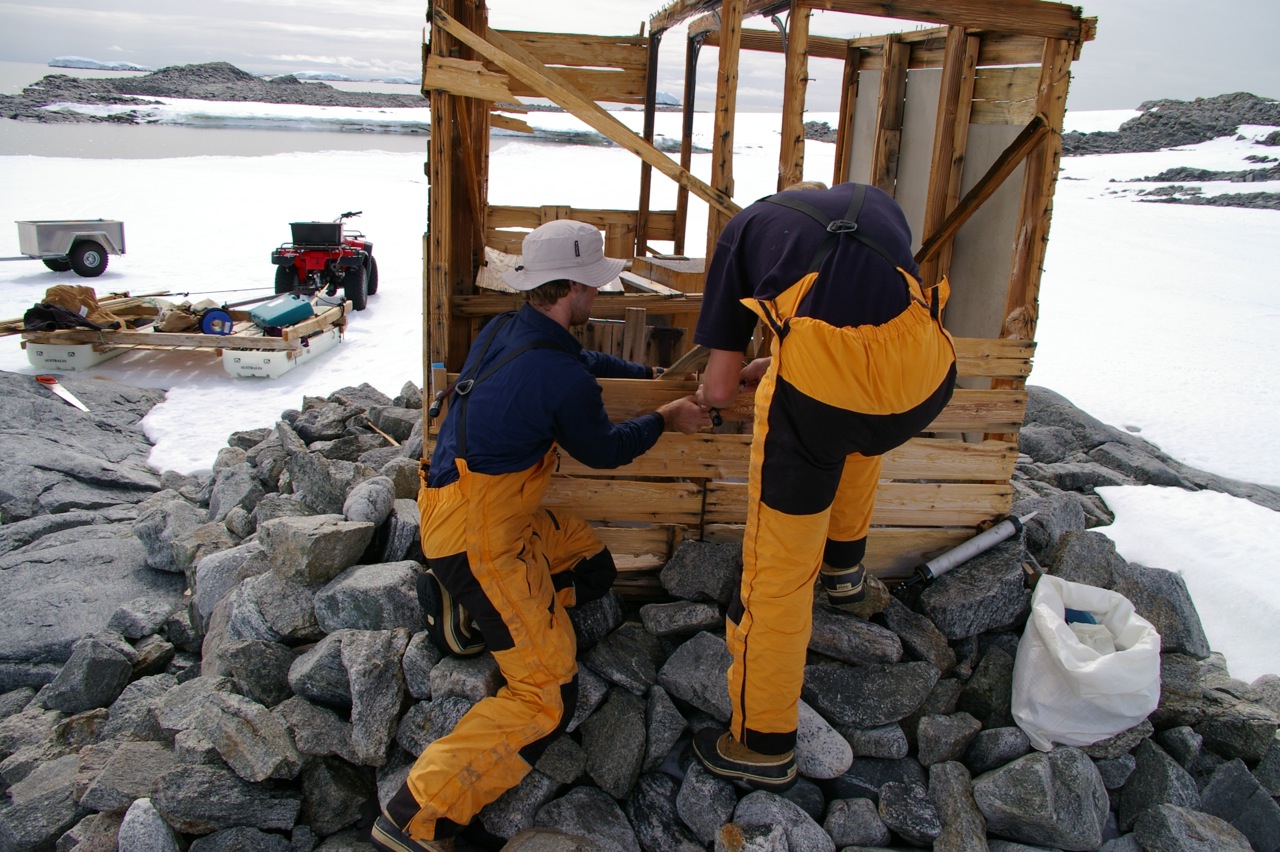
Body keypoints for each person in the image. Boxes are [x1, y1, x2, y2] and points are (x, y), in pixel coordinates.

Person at [371, 219, 709, 852]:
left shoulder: (509, 328)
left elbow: (583, 362)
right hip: (482, 543)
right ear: (576, 288)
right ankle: (417, 816)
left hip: (461, 515)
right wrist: (665, 416)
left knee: (589, 560)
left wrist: (648, 378)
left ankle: (470, 609)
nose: (600, 298)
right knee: (547, 694)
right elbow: (605, 450)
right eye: (596, 287)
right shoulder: (559, 377)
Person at [690, 181, 958, 790]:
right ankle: (845, 572)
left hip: (820, 405)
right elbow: (861, 306)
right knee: (861, 437)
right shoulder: (876, 202)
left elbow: (722, 389)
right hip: (922, 381)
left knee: (777, 573)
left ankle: (762, 742)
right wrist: (785, 354)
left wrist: (706, 393)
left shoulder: (740, 233)